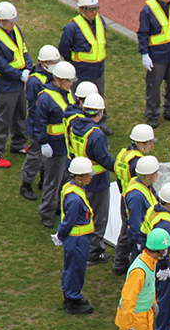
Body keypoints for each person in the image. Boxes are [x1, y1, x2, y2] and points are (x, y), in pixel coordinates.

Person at [66, 93, 113, 266]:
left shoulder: (74, 125)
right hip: (97, 180)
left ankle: (83, 247)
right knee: (98, 217)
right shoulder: (97, 135)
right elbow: (104, 160)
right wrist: (119, 166)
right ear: (100, 112)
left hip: (80, 176)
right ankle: (94, 252)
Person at [58, 0, 112, 136]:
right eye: (91, 9)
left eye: (96, 8)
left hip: (98, 69)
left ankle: (101, 124)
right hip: (81, 71)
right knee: (79, 100)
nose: (94, 12)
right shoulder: (73, 27)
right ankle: (80, 125)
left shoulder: (100, 21)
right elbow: (64, 47)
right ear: (82, 10)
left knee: (99, 97)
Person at [0, 1, 32, 168]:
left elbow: (23, 50)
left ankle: (18, 144)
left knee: (20, 114)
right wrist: (20, 75)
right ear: (1, 20)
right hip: (5, 85)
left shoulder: (15, 30)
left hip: (19, 82)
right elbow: (1, 65)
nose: (14, 24)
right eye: (10, 21)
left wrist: (28, 67)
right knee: (2, 120)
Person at [33, 61, 80, 228]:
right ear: (58, 80)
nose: (72, 84)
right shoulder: (45, 97)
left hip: (67, 144)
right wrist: (44, 143)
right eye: (69, 81)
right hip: (54, 145)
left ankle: (58, 207)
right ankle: (46, 211)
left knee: (65, 178)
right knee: (52, 180)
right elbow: (39, 122)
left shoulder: (67, 92)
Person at [52, 156, 96, 315]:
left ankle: (71, 295)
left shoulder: (71, 188)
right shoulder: (75, 198)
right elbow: (69, 220)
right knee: (76, 269)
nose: (91, 177)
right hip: (77, 239)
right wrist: (61, 235)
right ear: (78, 177)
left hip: (76, 239)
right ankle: (72, 299)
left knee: (72, 268)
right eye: (87, 175)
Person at [113, 124, 156, 275]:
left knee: (125, 231)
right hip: (135, 200)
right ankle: (127, 264)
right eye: (150, 142)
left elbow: (119, 178)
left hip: (126, 196)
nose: (152, 146)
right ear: (142, 143)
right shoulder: (137, 162)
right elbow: (143, 181)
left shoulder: (124, 154)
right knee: (131, 232)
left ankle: (120, 263)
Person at [143, 183, 170, 330]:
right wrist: (165, 266)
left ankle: (167, 320)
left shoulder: (154, 210)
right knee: (167, 297)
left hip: (160, 261)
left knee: (166, 296)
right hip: (168, 264)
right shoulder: (165, 223)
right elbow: (164, 248)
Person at [20, 45, 61, 201]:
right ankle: (26, 184)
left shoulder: (50, 75)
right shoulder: (35, 81)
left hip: (50, 124)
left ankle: (43, 180)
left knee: (47, 158)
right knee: (35, 157)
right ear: (44, 63)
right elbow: (35, 109)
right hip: (38, 124)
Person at [125, 155, 161, 261]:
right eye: (155, 173)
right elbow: (134, 221)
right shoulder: (136, 196)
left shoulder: (144, 184)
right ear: (148, 177)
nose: (157, 175)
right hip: (142, 236)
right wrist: (138, 242)